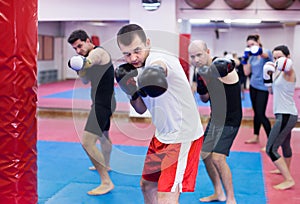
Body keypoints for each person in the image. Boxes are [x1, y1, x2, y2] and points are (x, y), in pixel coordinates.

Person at [115, 24, 204, 204]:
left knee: (166, 196)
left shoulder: (160, 57)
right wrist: (130, 91)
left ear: (148, 42)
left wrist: (154, 73)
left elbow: (159, 66)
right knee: (147, 185)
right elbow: (141, 109)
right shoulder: (134, 69)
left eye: (137, 50)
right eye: (127, 54)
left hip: (182, 135)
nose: (133, 57)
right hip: (161, 135)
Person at [188, 40, 242, 204]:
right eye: (192, 57)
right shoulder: (200, 72)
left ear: (208, 52)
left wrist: (214, 73)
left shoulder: (220, 66)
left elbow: (231, 65)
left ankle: (231, 198)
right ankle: (219, 192)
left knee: (218, 158)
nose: (196, 59)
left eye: (199, 55)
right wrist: (203, 85)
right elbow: (204, 99)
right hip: (216, 118)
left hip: (230, 119)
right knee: (205, 155)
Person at [67, 29, 116, 195]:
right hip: (103, 101)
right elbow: (85, 80)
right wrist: (77, 68)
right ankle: (106, 165)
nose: (78, 50)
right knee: (104, 135)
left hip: (103, 104)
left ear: (88, 41)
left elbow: (90, 61)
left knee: (87, 142)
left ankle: (106, 182)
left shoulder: (98, 53)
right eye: (75, 49)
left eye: (80, 46)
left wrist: (80, 62)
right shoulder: (86, 58)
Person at [263, 45, 298, 190]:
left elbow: (287, 66)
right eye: (274, 57)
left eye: (280, 57)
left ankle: (289, 179)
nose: (276, 60)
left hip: (286, 115)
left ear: (287, 57)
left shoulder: (288, 70)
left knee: (271, 149)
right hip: (284, 113)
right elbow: (271, 91)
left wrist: (281, 62)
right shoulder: (277, 72)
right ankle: (285, 169)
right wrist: (267, 77)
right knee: (285, 145)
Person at [242, 34, 273, 146]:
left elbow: (264, 55)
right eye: (248, 45)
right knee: (256, 113)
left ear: (258, 42)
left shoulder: (267, 52)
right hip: (253, 86)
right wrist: (245, 60)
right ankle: (256, 136)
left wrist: (257, 50)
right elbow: (246, 72)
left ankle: (271, 142)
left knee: (261, 114)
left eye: (252, 44)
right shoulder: (251, 56)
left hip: (263, 88)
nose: (250, 47)